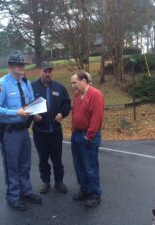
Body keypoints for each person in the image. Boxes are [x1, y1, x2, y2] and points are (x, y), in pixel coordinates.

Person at [0, 50, 42, 211]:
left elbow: (31, 103)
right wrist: (15, 112)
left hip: (24, 131)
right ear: (10, 66)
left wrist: (35, 114)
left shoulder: (26, 83)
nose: (22, 67)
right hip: (9, 132)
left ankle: (25, 191)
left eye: (23, 64)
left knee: (25, 163)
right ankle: (13, 196)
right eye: (18, 64)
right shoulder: (1, 84)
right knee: (12, 165)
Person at [31, 61, 71, 194]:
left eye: (50, 71)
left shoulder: (59, 87)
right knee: (43, 158)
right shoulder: (32, 87)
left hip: (55, 130)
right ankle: (45, 181)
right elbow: (26, 105)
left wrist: (62, 113)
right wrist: (33, 115)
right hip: (40, 131)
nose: (48, 74)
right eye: (45, 71)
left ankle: (59, 181)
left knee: (57, 158)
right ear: (40, 72)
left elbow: (66, 103)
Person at [70, 70, 105, 208]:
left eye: (75, 82)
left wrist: (88, 136)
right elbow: (75, 114)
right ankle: (85, 189)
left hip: (88, 136)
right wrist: (74, 131)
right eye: (72, 83)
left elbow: (97, 119)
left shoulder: (95, 95)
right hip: (76, 135)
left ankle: (95, 194)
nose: (72, 86)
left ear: (83, 81)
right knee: (78, 165)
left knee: (90, 167)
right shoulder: (77, 94)